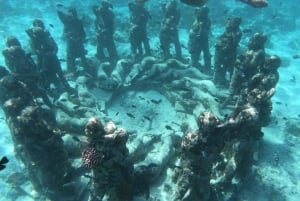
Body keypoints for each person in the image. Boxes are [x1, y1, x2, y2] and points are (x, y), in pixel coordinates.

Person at [173, 112, 223, 201]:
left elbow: (183, 149)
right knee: (199, 193)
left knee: (181, 192)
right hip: (199, 171)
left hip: (194, 170)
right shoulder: (216, 140)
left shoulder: (191, 136)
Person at [82, 117, 134, 201]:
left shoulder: (109, 140)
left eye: (92, 130)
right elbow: (89, 163)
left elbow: (121, 160)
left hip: (113, 178)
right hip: (100, 178)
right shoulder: (90, 143)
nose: (89, 132)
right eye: (88, 129)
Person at [26, 19, 74, 97]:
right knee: (45, 76)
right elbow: (36, 51)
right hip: (43, 62)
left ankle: (66, 87)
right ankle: (49, 91)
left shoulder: (48, 38)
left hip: (53, 59)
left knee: (60, 73)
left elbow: (55, 47)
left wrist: (52, 53)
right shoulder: (34, 41)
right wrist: (45, 54)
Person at [2, 36, 53, 108]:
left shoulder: (12, 57)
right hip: (26, 80)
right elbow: (26, 69)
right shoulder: (17, 58)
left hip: (26, 79)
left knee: (39, 93)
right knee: (39, 93)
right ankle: (46, 106)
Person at [222, 33, 267, 108]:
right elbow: (245, 55)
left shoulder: (259, 52)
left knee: (243, 86)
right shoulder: (252, 47)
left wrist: (241, 63)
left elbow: (252, 64)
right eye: (252, 39)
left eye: (255, 40)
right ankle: (229, 98)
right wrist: (239, 61)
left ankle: (237, 103)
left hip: (246, 73)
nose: (252, 42)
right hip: (240, 70)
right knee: (234, 83)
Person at [57, 7, 87, 73]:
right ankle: (71, 72)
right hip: (70, 43)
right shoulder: (67, 22)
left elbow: (83, 33)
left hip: (79, 42)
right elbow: (64, 34)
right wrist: (69, 36)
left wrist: (79, 38)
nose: (72, 15)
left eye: (73, 13)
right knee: (70, 58)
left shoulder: (79, 21)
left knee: (82, 56)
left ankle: (86, 70)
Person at [213, 17, 242, 87]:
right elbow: (223, 36)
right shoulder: (229, 28)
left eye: (235, 22)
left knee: (228, 67)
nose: (233, 23)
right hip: (221, 50)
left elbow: (234, 43)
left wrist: (225, 47)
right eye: (233, 21)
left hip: (230, 52)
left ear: (238, 24)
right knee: (218, 64)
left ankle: (229, 83)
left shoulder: (238, 32)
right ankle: (218, 79)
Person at [188, 6, 211, 73]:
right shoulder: (197, 18)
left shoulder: (206, 20)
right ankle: (194, 65)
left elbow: (204, 32)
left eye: (200, 12)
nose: (198, 13)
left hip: (202, 40)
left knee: (205, 53)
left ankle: (207, 68)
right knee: (195, 53)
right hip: (194, 40)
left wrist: (199, 31)